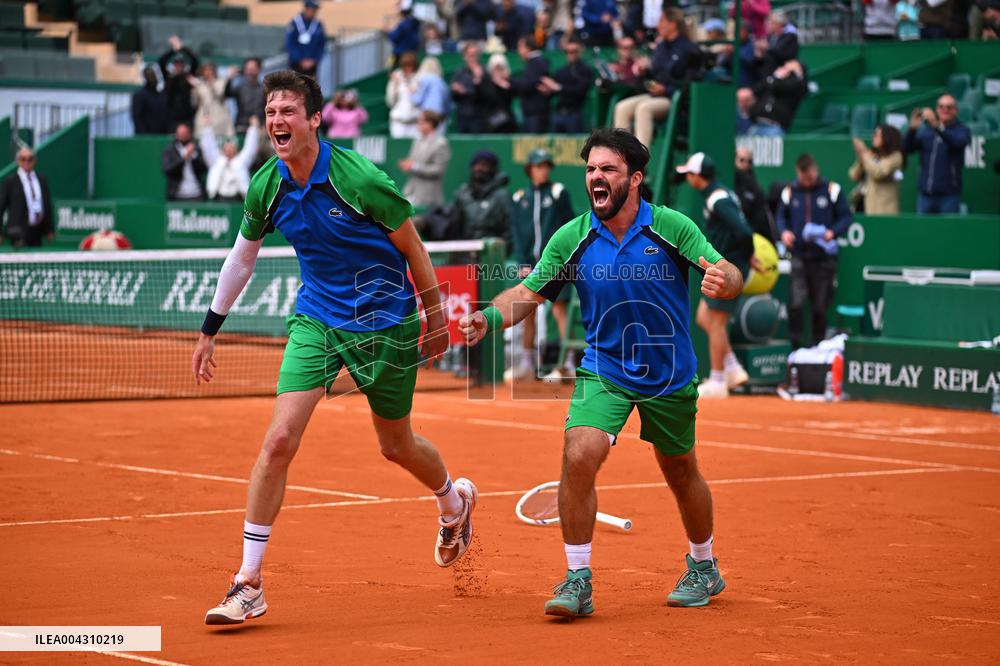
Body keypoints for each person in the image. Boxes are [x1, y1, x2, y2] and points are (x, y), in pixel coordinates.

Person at [194, 71, 477, 625]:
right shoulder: (266, 184)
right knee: (278, 440)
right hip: (316, 321)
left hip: (385, 327)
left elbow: (414, 250)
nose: (278, 120)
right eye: (271, 111)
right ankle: (248, 582)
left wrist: (436, 318)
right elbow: (242, 259)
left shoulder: (361, 179)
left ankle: (453, 501)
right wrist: (210, 328)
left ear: (314, 119)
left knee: (395, 446)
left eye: (289, 111)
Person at [459, 128, 742, 617]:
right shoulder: (573, 236)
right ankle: (577, 578)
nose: (596, 176)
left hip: (669, 373)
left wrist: (726, 281)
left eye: (607, 169)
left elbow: (728, 272)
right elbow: (527, 292)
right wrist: (488, 316)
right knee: (579, 453)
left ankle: (703, 565)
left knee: (680, 470)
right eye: (590, 169)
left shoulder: (672, 226)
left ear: (633, 179)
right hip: (604, 368)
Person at [676, 152, 754, 399]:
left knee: (717, 322)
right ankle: (732, 367)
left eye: (689, 173)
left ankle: (718, 379)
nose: (687, 178)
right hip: (729, 262)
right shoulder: (719, 194)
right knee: (703, 317)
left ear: (698, 176)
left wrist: (738, 258)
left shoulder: (718, 199)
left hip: (728, 267)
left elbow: (743, 231)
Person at [507, 148, 577, 382]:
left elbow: (570, 225)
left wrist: (567, 258)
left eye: (546, 166)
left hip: (558, 264)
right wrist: (522, 262)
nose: (543, 170)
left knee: (559, 309)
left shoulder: (559, 193)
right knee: (527, 309)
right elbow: (517, 234)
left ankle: (566, 364)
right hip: (531, 265)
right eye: (538, 166)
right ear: (530, 169)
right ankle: (528, 362)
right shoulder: (519, 198)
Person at [776, 154, 852, 349]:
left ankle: (817, 348)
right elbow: (780, 217)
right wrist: (784, 232)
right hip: (799, 256)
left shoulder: (832, 189)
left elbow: (845, 217)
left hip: (824, 258)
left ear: (815, 170)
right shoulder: (790, 191)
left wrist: (832, 232)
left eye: (810, 177)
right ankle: (794, 348)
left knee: (820, 307)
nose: (807, 181)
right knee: (796, 303)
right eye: (803, 178)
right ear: (798, 173)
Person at [613, 8, 699, 148]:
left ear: (673, 24)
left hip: (674, 98)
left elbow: (689, 81)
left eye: (661, 21)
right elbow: (654, 74)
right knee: (621, 107)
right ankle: (623, 157)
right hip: (653, 94)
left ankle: (640, 161)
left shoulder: (689, 49)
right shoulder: (661, 47)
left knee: (643, 108)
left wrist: (667, 89)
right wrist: (644, 72)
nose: (658, 25)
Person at [903, 94, 971, 214]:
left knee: (948, 231)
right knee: (922, 231)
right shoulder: (926, 131)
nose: (945, 110)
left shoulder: (962, 130)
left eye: (949, 107)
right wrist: (912, 130)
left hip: (948, 196)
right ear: (937, 109)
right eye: (941, 107)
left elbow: (957, 143)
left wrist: (938, 127)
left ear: (956, 110)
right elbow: (908, 149)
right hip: (925, 195)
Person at [0, 148, 53, 249]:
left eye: (30, 159)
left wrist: (50, 230)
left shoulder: (41, 179)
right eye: (23, 159)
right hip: (17, 232)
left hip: (37, 231)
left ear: (34, 161)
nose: (27, 162)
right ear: (18, 161)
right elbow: (1, 207)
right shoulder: (10, 181)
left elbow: (47, 205)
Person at [454, 150, 512, 242]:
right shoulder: (463, 193)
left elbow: (509, 228)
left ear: (493, 168)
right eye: (476, 165)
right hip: (465, 248)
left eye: (484, 165)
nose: (479, 169)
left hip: (492, 250)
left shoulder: (502, 195)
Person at [848, 123, 905, 215]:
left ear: (887, 138)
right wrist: (862, 158)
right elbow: (854, 175)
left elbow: (878, 172)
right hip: (867, 207)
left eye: (878, 135)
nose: (874, 137)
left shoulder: (896, 157)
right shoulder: (871, 155)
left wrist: (864, 153)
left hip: (885, 211)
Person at [202, 116, 261, 203]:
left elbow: (250, 149)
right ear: (223, 150)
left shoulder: (241, 161)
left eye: (231, 148)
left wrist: (253, 128)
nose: (229, 151)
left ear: (236, 150)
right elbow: (208, 148)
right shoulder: (217, 161)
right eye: (227, 148)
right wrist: (207, 127)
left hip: (238, 198)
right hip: (219, 198)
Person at [400, 111, 451, 208]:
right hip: (411, 191)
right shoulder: (417, 141)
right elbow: (412, 161)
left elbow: (438, 170)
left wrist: (414, 166)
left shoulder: (441, 144)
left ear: (430, 123)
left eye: (421, 121)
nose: (418, 124)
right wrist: (408, 165)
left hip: (429, 196)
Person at [542, 39, 594, 133]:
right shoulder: (561, 72)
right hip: (558, 113)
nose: (570, 54)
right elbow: (553, 92)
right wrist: (548, 90)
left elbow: (580, 90)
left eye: (573, 51)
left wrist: (558, 87)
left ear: (580, 52)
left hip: (575, 113)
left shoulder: (585, 70)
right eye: (567, 52)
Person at [747, 59, 808, 136]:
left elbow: (803, 88)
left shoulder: (796, 84)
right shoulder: (773, 79)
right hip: (756, 125)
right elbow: (757, 90)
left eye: (792, 64)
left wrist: (798, 73)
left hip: (774, 127)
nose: (787, 64)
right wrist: (776, 76)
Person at [157, 35, 199, 130]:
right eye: (176, 64)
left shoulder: (189, 77)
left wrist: (183, 48)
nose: (178, 67)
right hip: (171, 116)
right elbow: (160, 62)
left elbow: (195, 61)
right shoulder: (168, 77)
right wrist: (173, 51)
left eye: (181, 64)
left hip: (187, 116)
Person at [734, 146, 776, 242]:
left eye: (749, 161)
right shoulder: (730, 183)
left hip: (753, 238)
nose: (745, 164)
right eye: (742, 160)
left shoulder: (754, 186)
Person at [512, 37, 551, 134]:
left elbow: (528, 84)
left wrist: (508, 81)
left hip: (536, 113)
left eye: (520, 47)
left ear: (528, 48)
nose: (518, 51)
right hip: (532, 112)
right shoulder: (534, 63)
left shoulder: (537, 62)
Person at [161, 122, 208, 201]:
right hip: (176, 196)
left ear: (190, 134)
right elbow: (168, 170)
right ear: (176, 134)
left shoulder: (197, 149)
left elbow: (203, 169)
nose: (183, 135)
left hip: (197, 195)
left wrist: (194, 156)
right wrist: (184, 157)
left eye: (185, 133)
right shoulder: (170, 151)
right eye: (180, 133)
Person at [191, 61, 234, 140]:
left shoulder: (222, 82)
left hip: (220, 116)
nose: (208, 73)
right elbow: (194, 103)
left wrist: (211, 84)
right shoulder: (199, 85)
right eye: (205, 70)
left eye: (210, 70)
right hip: (204, 117)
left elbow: (220, 95)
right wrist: (193, 89)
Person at [477, 53, 519, 133]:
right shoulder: (485, 82)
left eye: (500, 68)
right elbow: (484, 99)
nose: (498, 71)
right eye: (495, 68)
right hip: (490, 122)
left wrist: (503, 84)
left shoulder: (509, 82)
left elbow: (513, 95)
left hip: (507, 122)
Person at [286, 0, 326, 77]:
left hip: (312, 66)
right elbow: (290, 44)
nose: (313, 12)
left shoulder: (318, 24)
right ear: (306, 8)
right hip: (296, 65)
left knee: (311, 87)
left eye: (315, 10)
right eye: (312, 9)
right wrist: (300, 60)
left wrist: (314, 59)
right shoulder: (295, 22)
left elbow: (321, 44)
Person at [450, 43, 484, 133]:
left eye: (474, 55)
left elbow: (486, 95)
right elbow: (454, 97)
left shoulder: (484, 73)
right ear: (464, 57)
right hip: (462, 117)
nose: (472, 58)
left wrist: (465, 90)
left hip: (479, 118)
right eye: (470, 55)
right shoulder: (459, 73)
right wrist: (456, 91)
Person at [225, 58, 265, 134]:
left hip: (260, 128)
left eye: (253, 69)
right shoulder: (239, 87)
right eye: (248, 69)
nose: (250, 72)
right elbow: (227, 94)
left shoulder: (264, 89)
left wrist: (264, 124)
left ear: (259, 69)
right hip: (241, 127)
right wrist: (230, 78)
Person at [386, 52, 420, 139]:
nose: (408, 68)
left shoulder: (419, 77)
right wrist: (394, 85)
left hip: (415, 122)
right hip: (398, 122)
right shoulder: (396, 77)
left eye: (410, 65)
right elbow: (390, 102)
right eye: (405, 65)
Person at [411, 56, 452, 122]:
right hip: (440, 116)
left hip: (428, 115)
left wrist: (412, 93)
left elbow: (418, 100)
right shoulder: (441, 82)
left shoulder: (424, 79)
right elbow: (448, 104)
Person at [131, 66, 168, 135]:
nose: (153, 78)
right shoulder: (140, 95)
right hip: (145, 136)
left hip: (160, 134)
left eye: (154, 75)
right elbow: (137, 117)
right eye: (150, 75)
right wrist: (143, 134)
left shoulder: (160, 95)